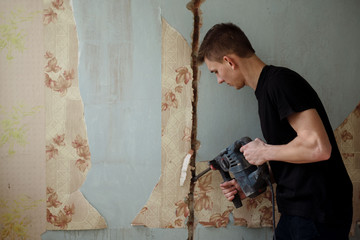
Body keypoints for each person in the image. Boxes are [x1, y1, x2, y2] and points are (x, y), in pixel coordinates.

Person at [197, 23, 353, 240]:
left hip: (318, 212)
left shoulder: (280, 83)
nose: (219, 80)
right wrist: (250, 183)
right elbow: (294, 154)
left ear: (229, 61)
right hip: (297, 211)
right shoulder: (265, 92)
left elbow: (319, 147)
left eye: (216, 72)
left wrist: (265, 152)